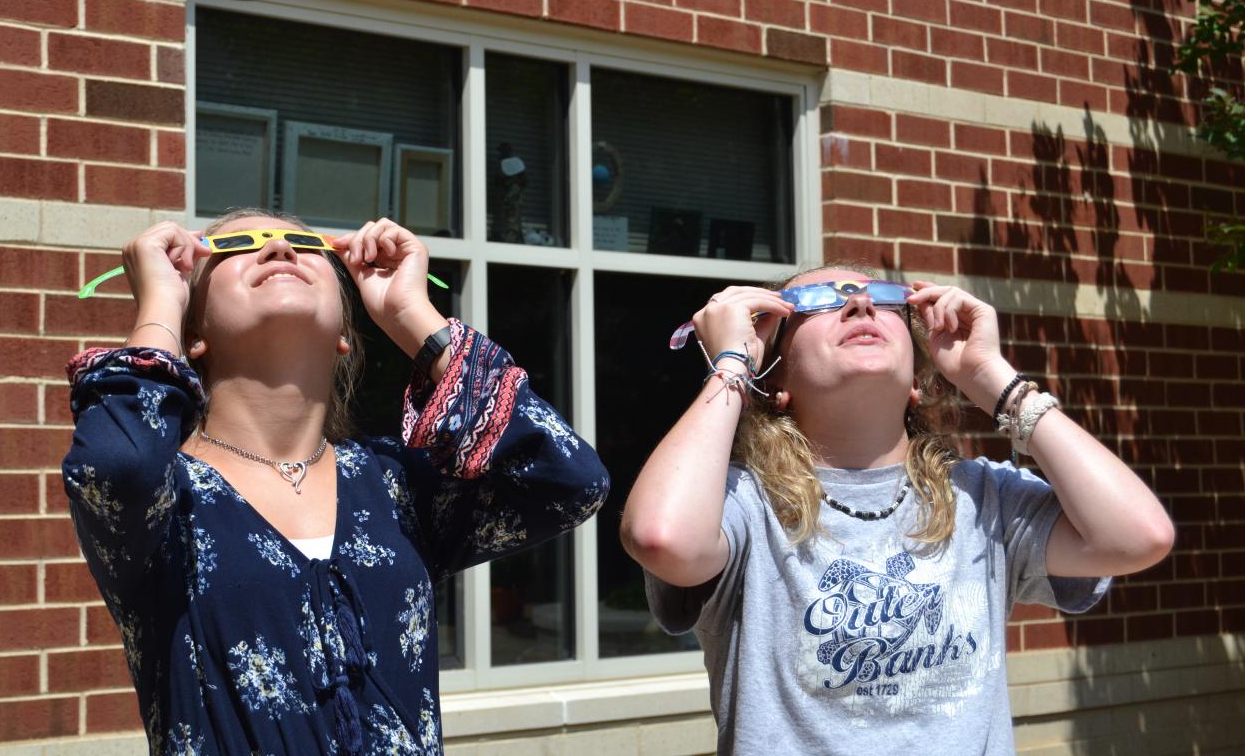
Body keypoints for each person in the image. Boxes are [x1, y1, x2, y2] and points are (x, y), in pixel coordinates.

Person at [63, 211, 609, 755]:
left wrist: (410, 315)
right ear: (195, 334)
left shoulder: (395, 485)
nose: (279, 251)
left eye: (302, 243)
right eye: (236, 246)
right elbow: (117, 466)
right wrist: (158, 308)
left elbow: (570, 481)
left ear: (346, 334)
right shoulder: (164, 500)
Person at [621, 268, 1174, 754]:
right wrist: (731, 366)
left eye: (882, 301)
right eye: (820, 302)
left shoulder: (985, 499)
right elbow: (662, 537)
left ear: (916, 381)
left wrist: (994, 379)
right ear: (778, 381)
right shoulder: (742, 502)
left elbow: (1138, 536)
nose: (860, 305)